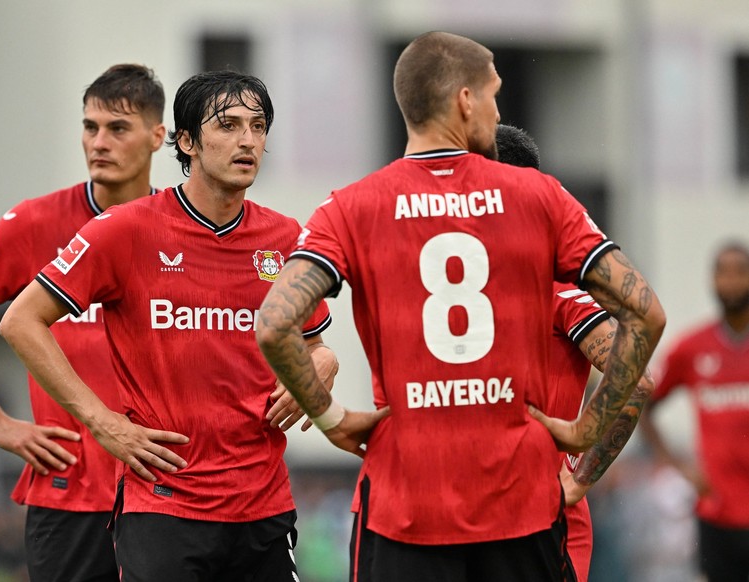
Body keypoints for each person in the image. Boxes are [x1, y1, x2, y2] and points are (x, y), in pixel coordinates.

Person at [256, 31, 666, 582]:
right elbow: (646, 313)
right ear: (465, 100)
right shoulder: (540, 196)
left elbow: (276, 322)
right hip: (522, 506)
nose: (498, 112)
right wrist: (588, 428)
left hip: (405, 504)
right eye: (494, 94)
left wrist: (331, 421)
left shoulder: (350, 207)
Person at [0, 70, 335, 582]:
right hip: (163, 507)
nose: (247, 140)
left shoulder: (285, 237)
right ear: (185, 141)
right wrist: (102, 422)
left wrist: (322, 364)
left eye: (258, 126)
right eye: (227, 125)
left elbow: (315, 345)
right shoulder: (125, 230)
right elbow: (20, 321)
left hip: (263, 507)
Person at [0, 63, 167, 582]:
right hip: (67, 492)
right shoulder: (35, 223)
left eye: (118, 128)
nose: (99, 141)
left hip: (166, 496)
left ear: (158, 136)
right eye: (90, 126)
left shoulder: (182, 230)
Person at [496, 124, 656, 581]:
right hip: (470, 514)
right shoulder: (466, 290)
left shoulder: (556, 289)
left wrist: (579, 479)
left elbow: (637, 378)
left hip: (541, 522)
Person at [641, 242, 749, 582]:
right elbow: (643, 404)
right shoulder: (692, 348)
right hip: (716, 511)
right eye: (722, 272)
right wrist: (673, 464)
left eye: (739, 272)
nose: (730, 281)